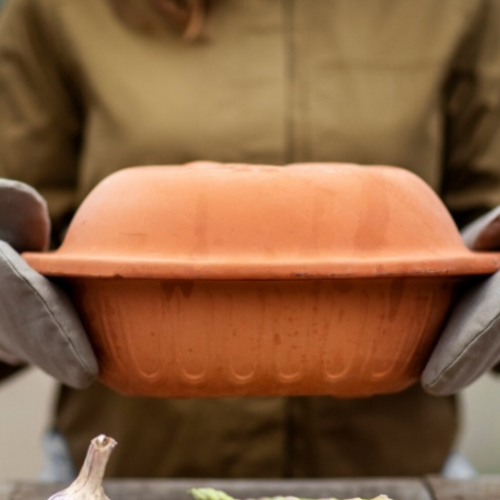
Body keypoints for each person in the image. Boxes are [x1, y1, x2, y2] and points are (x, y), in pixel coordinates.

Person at [1, 0, 500, 480]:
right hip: (123, 471)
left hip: (396, 473)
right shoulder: (60, 7)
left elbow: (483, 203)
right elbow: (28, 221)